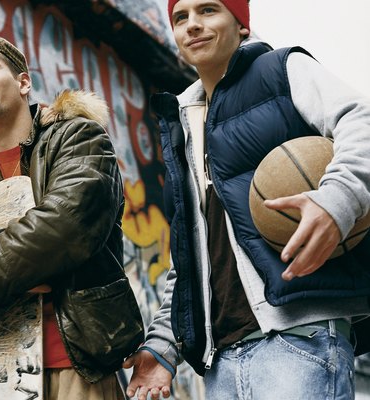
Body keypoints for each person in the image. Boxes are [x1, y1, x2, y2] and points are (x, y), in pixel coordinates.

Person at [123, 0, 370, 399]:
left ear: (241, 25)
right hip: (222, 360)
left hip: (298, 338)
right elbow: (191, 256)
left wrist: (336, 201)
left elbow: (362, 120)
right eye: (180, 18)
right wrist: (165, 343)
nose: (193, 26)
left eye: (208, 10)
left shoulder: (281, 69)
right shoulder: (183, 123)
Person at [0, 35, 144, 399]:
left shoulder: (78, 137)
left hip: (74, 364)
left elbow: (63, 228)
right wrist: (22, 272)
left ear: (23, 82)